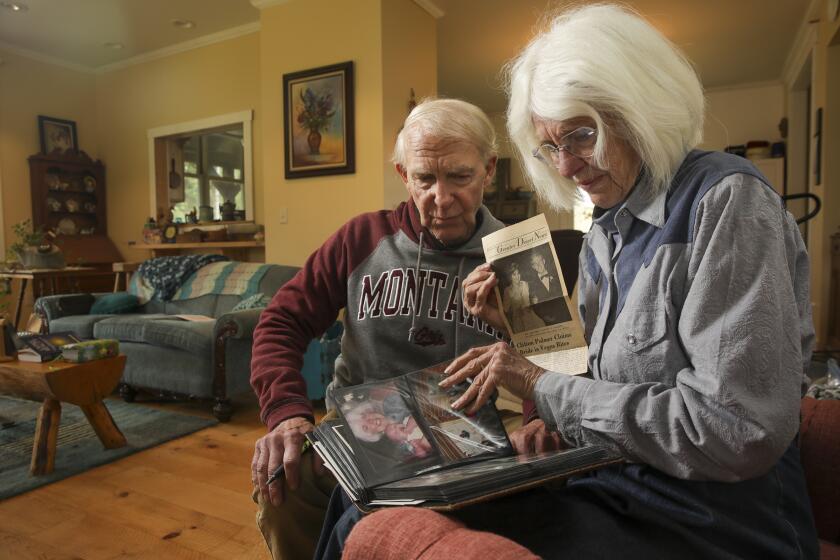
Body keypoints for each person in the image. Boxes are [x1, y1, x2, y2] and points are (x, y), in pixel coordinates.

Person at [342, 4, 820, 558]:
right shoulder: (604, 231)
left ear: (640, 108)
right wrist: (521, 344)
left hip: (714, 521)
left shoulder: (726, 202)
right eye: (551, 147)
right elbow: (595, 375)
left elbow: (734, 431)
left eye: (581, 136)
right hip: (615, 482)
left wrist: (540, 387)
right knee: (376, 501)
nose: (565, 167)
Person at [249, 97, 513, 560]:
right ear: (402, 174)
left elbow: (552, 355)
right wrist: (287, 413)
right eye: (424, 179)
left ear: (488, 169)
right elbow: (281, 321)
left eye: (460, 176)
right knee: (283, 484)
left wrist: (533, 415)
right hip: (360, 419)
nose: (442, 199)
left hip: (465, 425)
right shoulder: (361, 239)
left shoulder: (513, 252)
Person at [501, 262, 545, 333]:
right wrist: (511, 297)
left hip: (529, 314)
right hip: (517, 318)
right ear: (510, 276)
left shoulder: (524, 284)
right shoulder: (507, 290)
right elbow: (505, 309)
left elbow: (526, 302)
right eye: (514, 274)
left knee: (541, 326)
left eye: (518, 273)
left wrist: (532, 300)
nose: (517, 276)